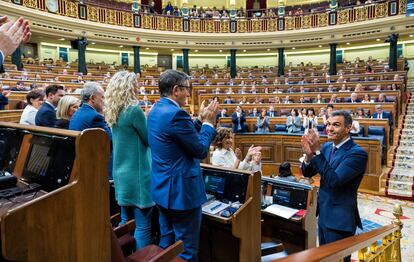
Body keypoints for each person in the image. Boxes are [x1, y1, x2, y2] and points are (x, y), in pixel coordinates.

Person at [147, 70, 219, 261]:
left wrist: (197, 121)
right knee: (186, 252)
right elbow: (201, 149)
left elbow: (179, 137)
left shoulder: (156, 110)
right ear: (176, 89)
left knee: (167, 245)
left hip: (163, 191)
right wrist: (208, 124)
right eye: (187, 89)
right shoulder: (177, 114)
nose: (189, 93)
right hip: (181, 194)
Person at [301, 110, 368, 262]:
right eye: (328, 124)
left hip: (340, 220)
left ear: (348, 128)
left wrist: (316, 153)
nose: (330, 128)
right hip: (323, 213)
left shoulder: (357, 153)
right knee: (324, 258)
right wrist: (308, 156)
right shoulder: (326, 148)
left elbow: (334, 181)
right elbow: (307, 172)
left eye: (336, 125)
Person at [104, 71, 154, 250]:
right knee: (142, 225)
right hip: (138, 174)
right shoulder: (133, 110)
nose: (138, 87)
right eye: (135, 84)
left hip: (121, 173)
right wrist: (149, 117)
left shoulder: (114, 111)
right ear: (127, 87)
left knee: (126, 221)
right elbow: (149, 139)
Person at [69, 82, 113, 178]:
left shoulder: (78, 112)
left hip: (79, 162)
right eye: (102, 97)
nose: (104, 101)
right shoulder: (95, 116)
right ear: (92, 98)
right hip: (93, 166)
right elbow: (111, 142)